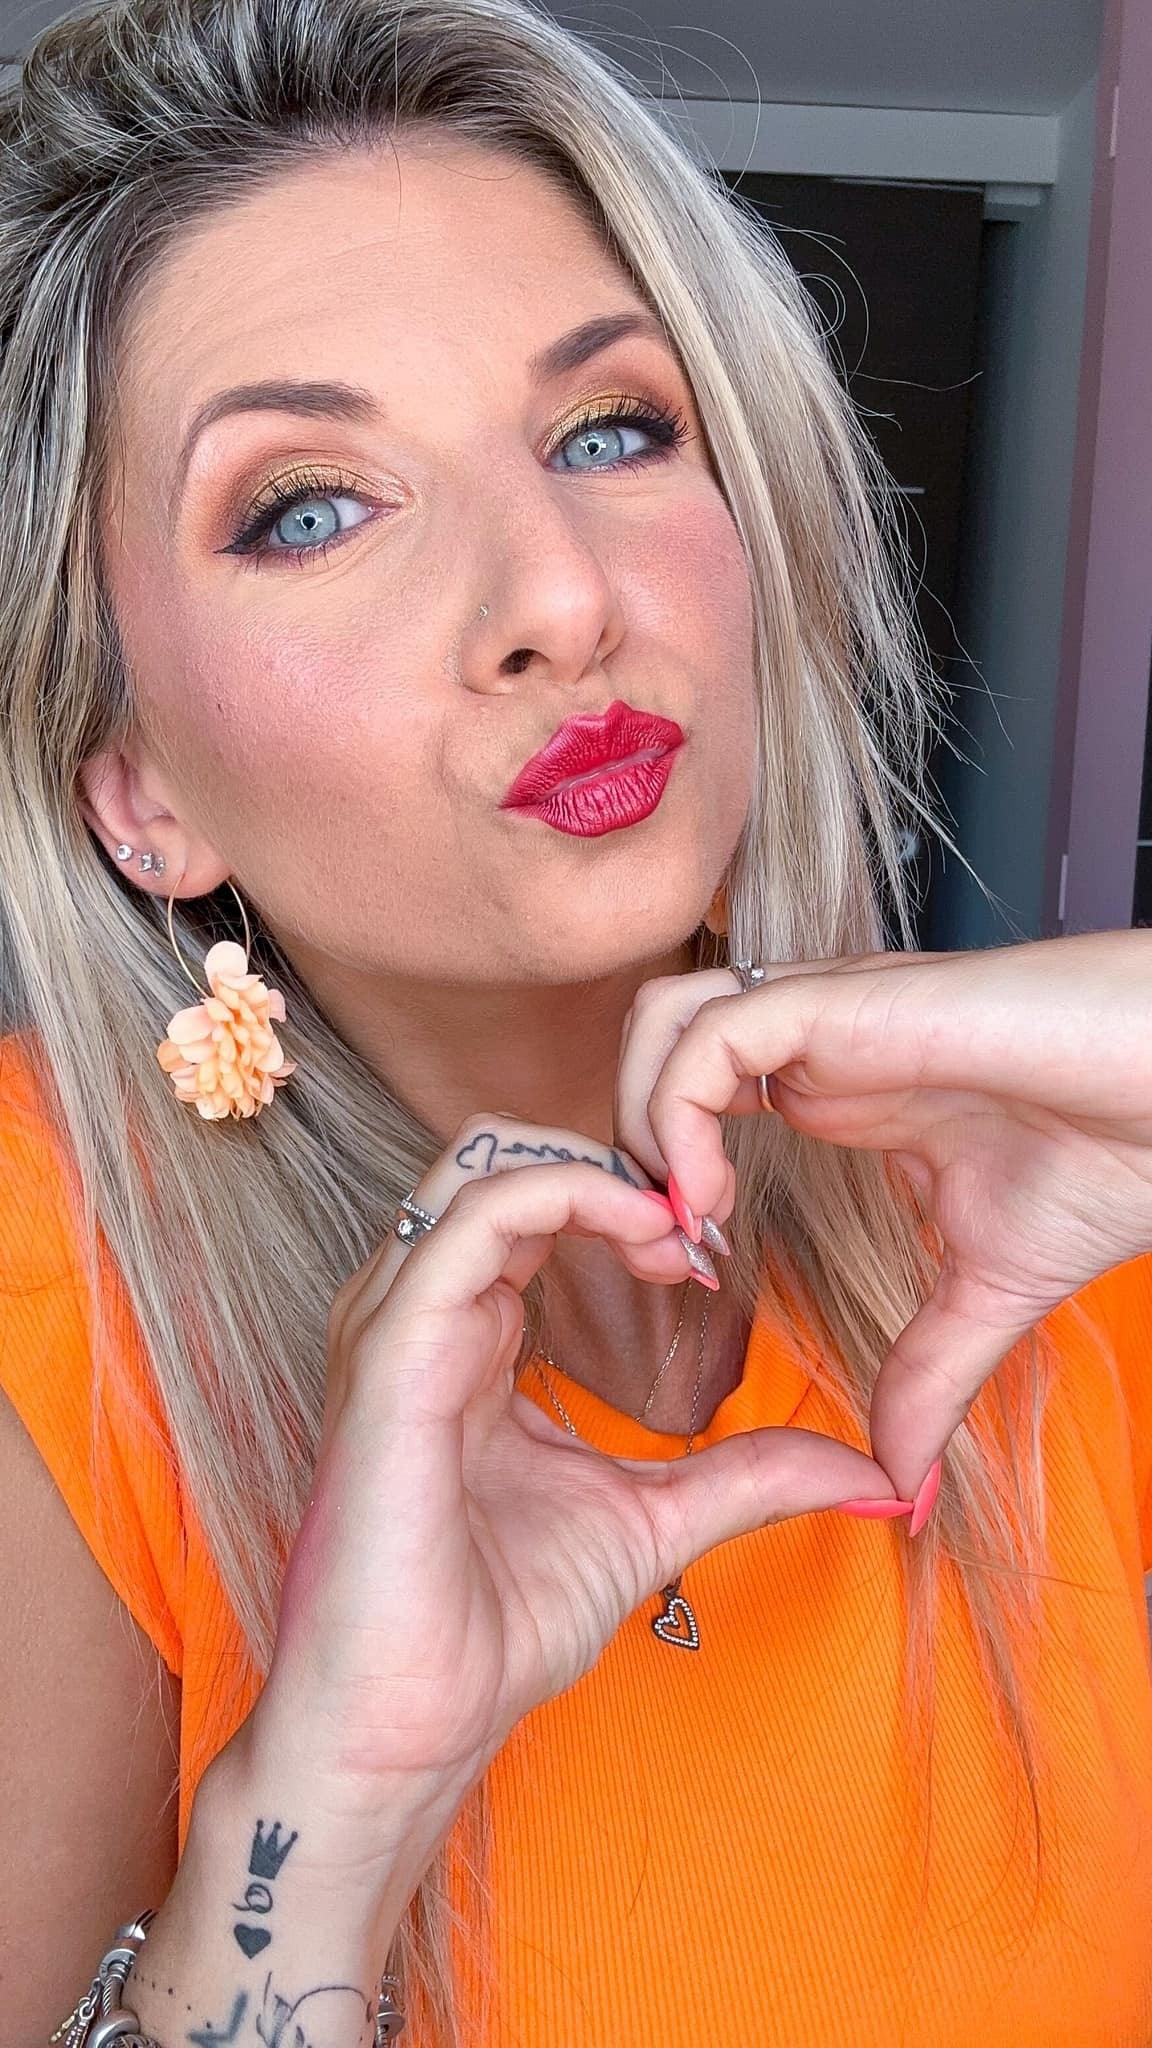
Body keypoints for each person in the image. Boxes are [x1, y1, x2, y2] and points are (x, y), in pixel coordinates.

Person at [1, 0, 1150, 2041]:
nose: (558, 594)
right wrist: (324, 1819)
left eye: (609, 431)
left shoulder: (1049, 1190)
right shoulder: (50, 1294)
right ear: (140, 789)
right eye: (309, 505)